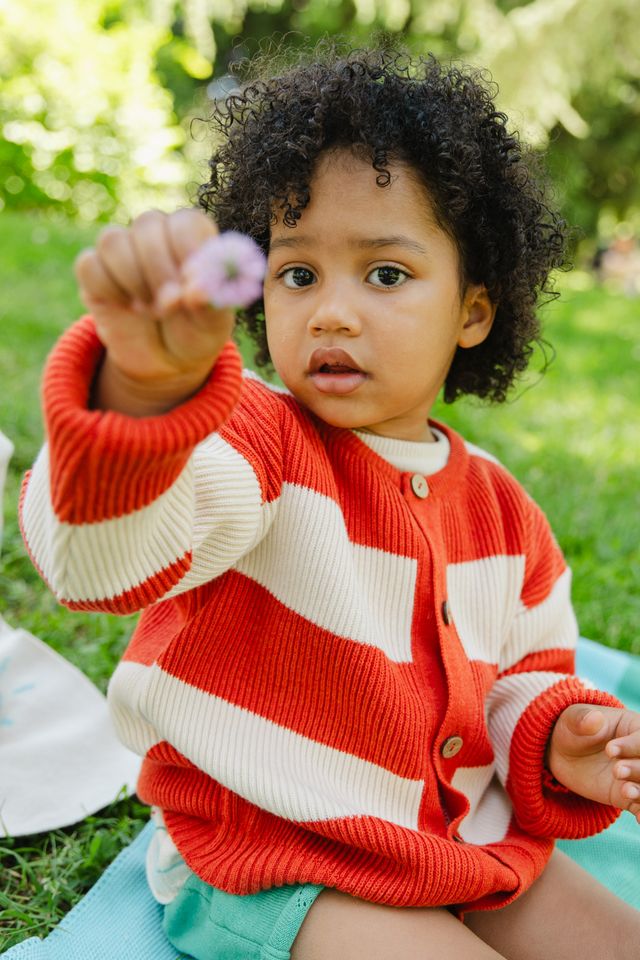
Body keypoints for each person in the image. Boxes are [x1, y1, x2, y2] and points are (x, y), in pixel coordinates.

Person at [20, 45, 640, 960]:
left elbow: (523, 674)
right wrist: (144, 401)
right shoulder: (256, 441)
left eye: (385, 274)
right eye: (297, 273)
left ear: (473, 310)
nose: (332, 313)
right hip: (276, 858)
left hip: (454, 843)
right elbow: (99, 561)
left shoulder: (505, 514)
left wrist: (558, 738)